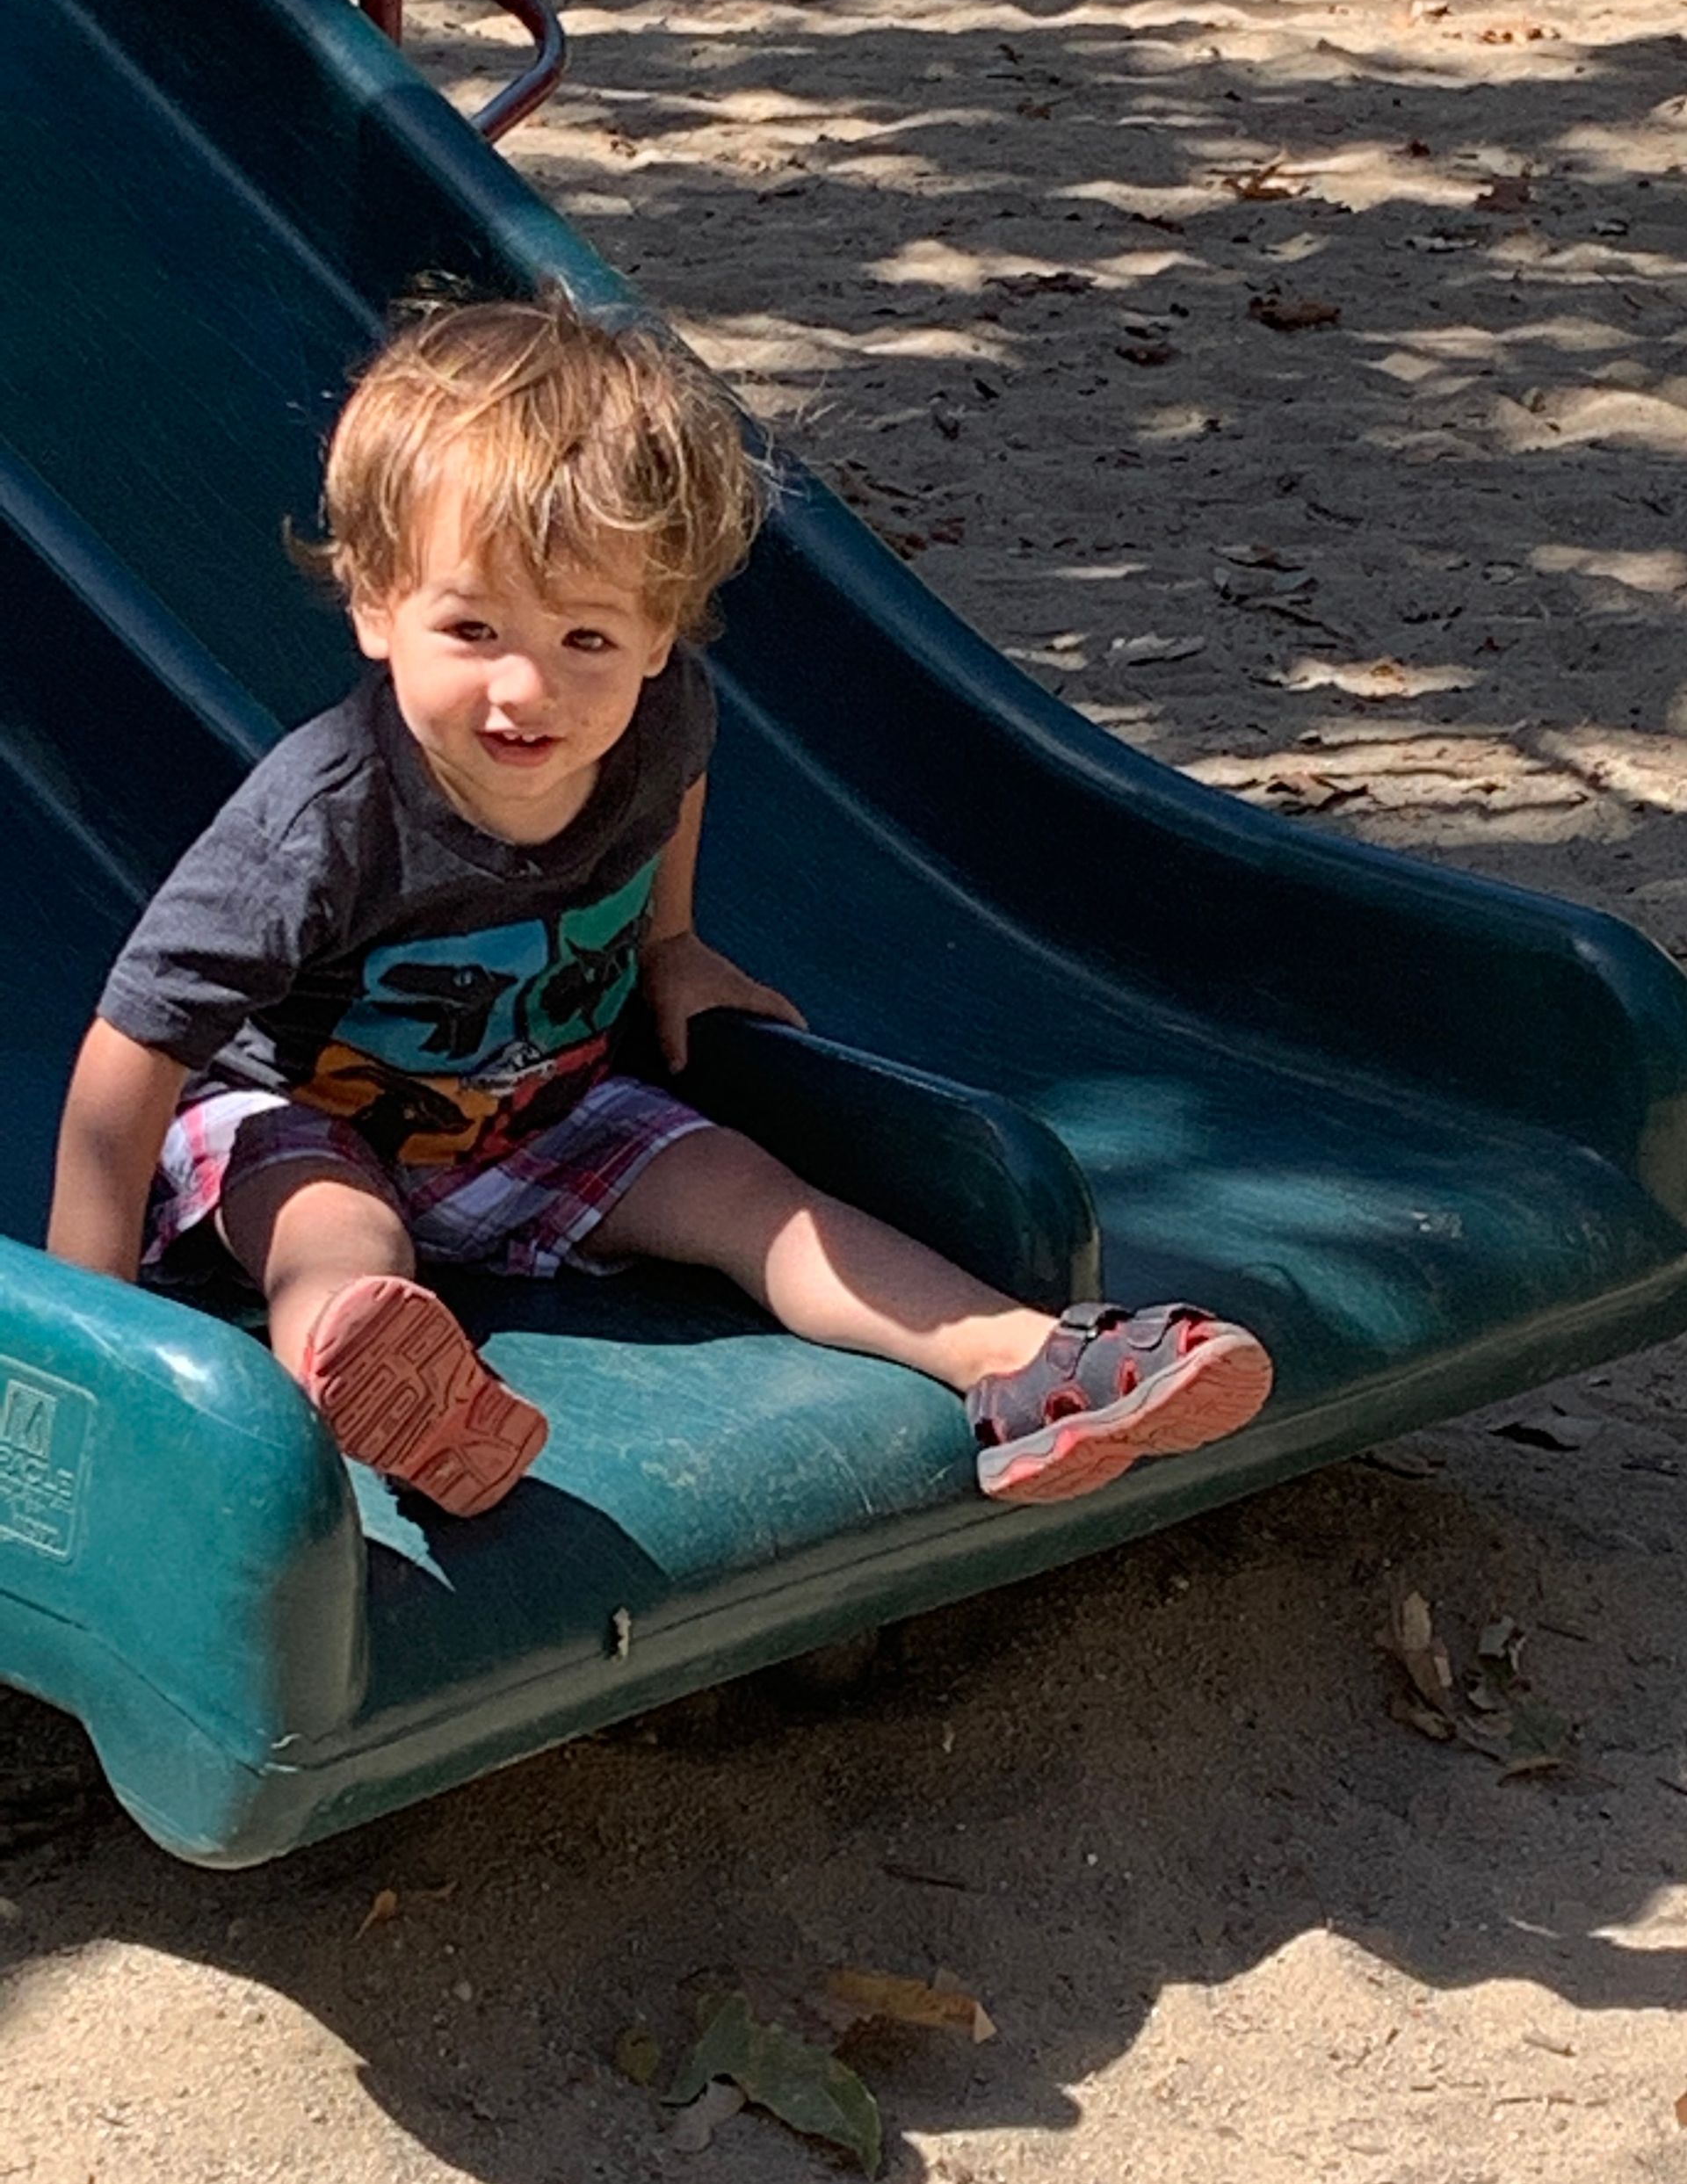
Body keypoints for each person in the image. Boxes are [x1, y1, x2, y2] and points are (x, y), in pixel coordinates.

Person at [47, 293, 1272, 1515]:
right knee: (336, 1237)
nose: (526, 689)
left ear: (657, 634)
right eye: (472, 627)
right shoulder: (319, 821)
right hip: (297, 1112)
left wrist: (671, 941)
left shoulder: (661, 718)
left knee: (755, 1197)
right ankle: (385, 1386)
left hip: (538, 1112)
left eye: (587, 636)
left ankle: (1022, 1363)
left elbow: (676, 783)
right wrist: (95, 1332)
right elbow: (134, 1045)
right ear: (376, 604)